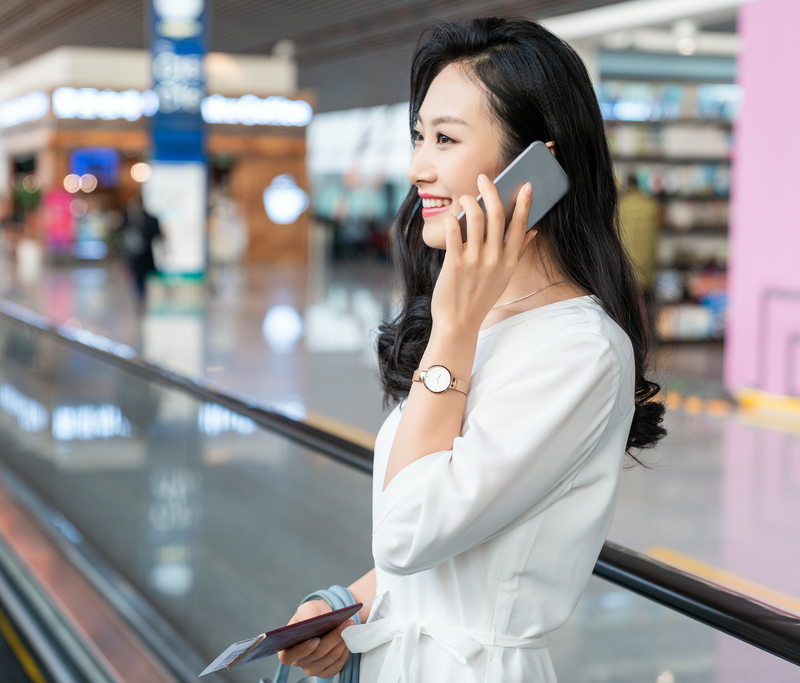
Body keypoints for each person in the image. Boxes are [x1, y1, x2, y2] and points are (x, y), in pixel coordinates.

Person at [276, 18, 666, 683]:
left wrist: (453, 328)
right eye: (418, 136)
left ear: (534, 168)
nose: (417, 167)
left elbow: (407, 530)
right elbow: (426, 550)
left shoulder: (581, 351)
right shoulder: (477, 317)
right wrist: (346, 604)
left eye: (446, 139)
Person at [120, 193, 162, 300]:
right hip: (135, 257)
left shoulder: (149, 219)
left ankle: (143, 296)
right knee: (138, 278)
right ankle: (141, 296)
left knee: (145, 277)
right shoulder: (128, 219)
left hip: (146, 256)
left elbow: (157, 236)